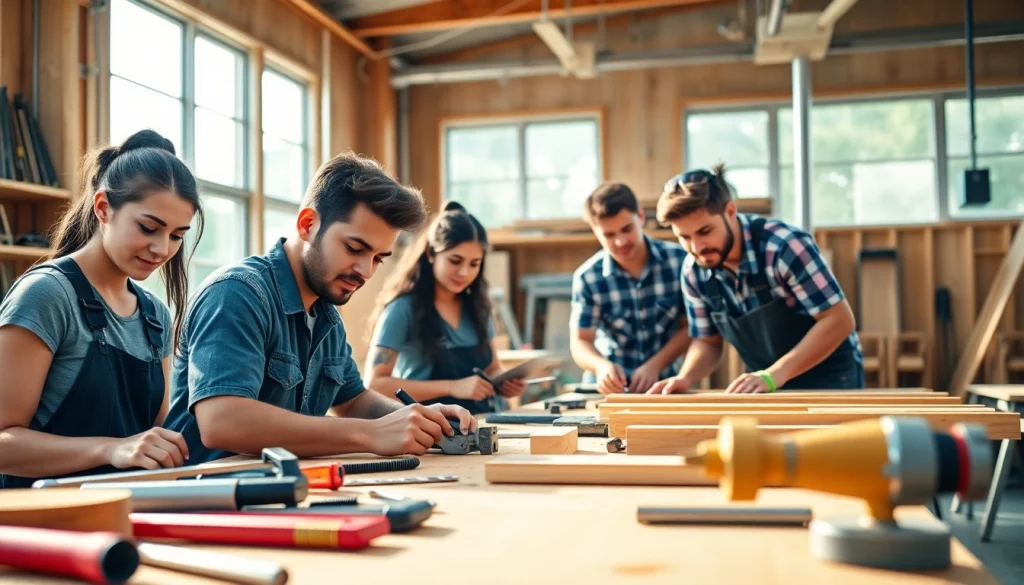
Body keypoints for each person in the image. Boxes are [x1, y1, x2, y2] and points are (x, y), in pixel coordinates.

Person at [163, 153, 477, 464]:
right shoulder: (237, 293)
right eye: (355, 248)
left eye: (379, 258)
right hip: (208, 499)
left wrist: (418, 418)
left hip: (280, 494)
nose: (366, 271)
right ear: (308, 224)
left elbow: (353, 401)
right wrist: (369, 435)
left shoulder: (326, 314)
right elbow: (221, 422)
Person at [0, 129, 203, 488]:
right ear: (103, 208)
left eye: (176, 235)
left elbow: (152, 439)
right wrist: (110, 450)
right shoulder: (46, 295)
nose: (161, 249)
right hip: (37, 526)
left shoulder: (156, 316)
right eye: (148, 227)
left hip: (121, 517)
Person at [648, 164, 864, 395]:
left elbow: (839, 320)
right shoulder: (694, 270)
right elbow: (708, 342)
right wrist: (685, 377)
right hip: (766, 382)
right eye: (684, 237)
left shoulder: (784, 247)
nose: (696, 247)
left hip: (830, 379)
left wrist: (775, 374)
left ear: (730, 212)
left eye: (705, 231)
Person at [364, 201, 527, 414]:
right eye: (455, 260)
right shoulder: (402, 310)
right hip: (429, 431)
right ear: (431, 254)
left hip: (484, 423)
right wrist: (452, 387)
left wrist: (503, 383)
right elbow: (375, 385)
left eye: (474, 264)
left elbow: (492, 368)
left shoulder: (479, 308)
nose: (464, 272)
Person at [569, 182, 691, 394]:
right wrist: (601, 367)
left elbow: (690, 327)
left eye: (627, 229)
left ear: (641, 217)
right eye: (608, 235)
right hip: (609, 389)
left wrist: (655, 365)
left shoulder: (679, 262)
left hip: (665, 385)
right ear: (595, 231)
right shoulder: (588, 277)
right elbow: (580, 342)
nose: (620, 241)